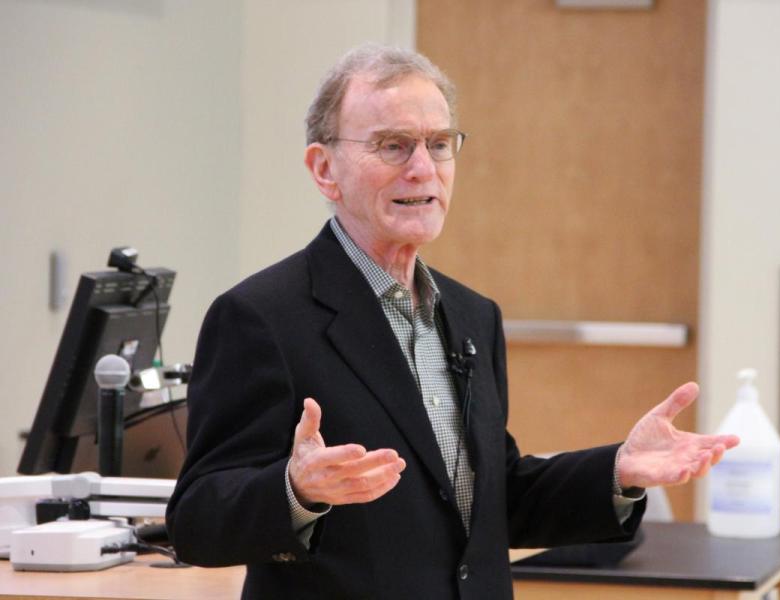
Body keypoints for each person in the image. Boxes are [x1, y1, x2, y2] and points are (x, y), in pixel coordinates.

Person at [166, 44, 739, 600]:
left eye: (439, 145)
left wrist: (617, 470)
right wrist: (295, 490)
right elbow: (197, 521)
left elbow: (492, 502)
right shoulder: (260, 317)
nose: (422, 169)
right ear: (324, 169)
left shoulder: (472, 316)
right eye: (393, 146)